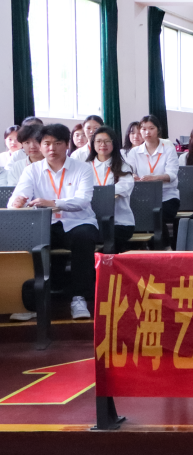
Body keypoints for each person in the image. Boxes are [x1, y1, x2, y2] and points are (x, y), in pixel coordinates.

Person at [8, 124, 98, 321]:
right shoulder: (32, 170)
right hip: (44, 223)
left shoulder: (82, 169)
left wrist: (52, 203)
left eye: (57, 143)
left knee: (83, 238)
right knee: (25, 241)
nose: (51, 148)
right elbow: (16, 198)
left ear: (66, 144)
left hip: (77, 222)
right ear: (40, 146)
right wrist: (17, 202)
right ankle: (29, 303)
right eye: (46, 143)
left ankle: (79, 298)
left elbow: (82, 201)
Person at [128, 115, 180, 248]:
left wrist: (154, 178)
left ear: (158, 130)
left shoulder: (168, 148)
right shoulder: (134, 152)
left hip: (167, 196)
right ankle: (154, 248)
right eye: (143, 129)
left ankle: (164, 247)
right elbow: (128, 172)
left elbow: (172, 175)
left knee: (155, 214)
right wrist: (133, 176)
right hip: (144, 197)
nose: (147, 132)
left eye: (151, 128)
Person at [87, 126, 135, 254]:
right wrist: (104, 192)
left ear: (114, 143)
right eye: (99, 141)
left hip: (119, 222)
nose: (103, 144)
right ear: (93, 144)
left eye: (107, 141)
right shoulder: (85, 167)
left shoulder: (123, 167)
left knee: (111, 240)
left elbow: (123, 188)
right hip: (92, 220)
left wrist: (95, 192)